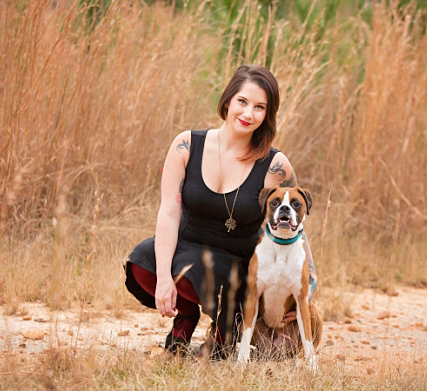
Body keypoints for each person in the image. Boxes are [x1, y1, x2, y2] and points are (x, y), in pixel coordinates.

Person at [124, 65, 320, 359]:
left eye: (259, 107)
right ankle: (186, 318)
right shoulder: (186, 145)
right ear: (227, 100)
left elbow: (295, 223)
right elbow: (168, 213)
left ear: (267, 114)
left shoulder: (275, 166)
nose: (248, 113)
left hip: (236, 267)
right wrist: (163, 277)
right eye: (242, 101)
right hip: (187, 248)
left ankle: (225, 329)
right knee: (143, 260)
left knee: (193, 269)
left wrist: (310, 283)